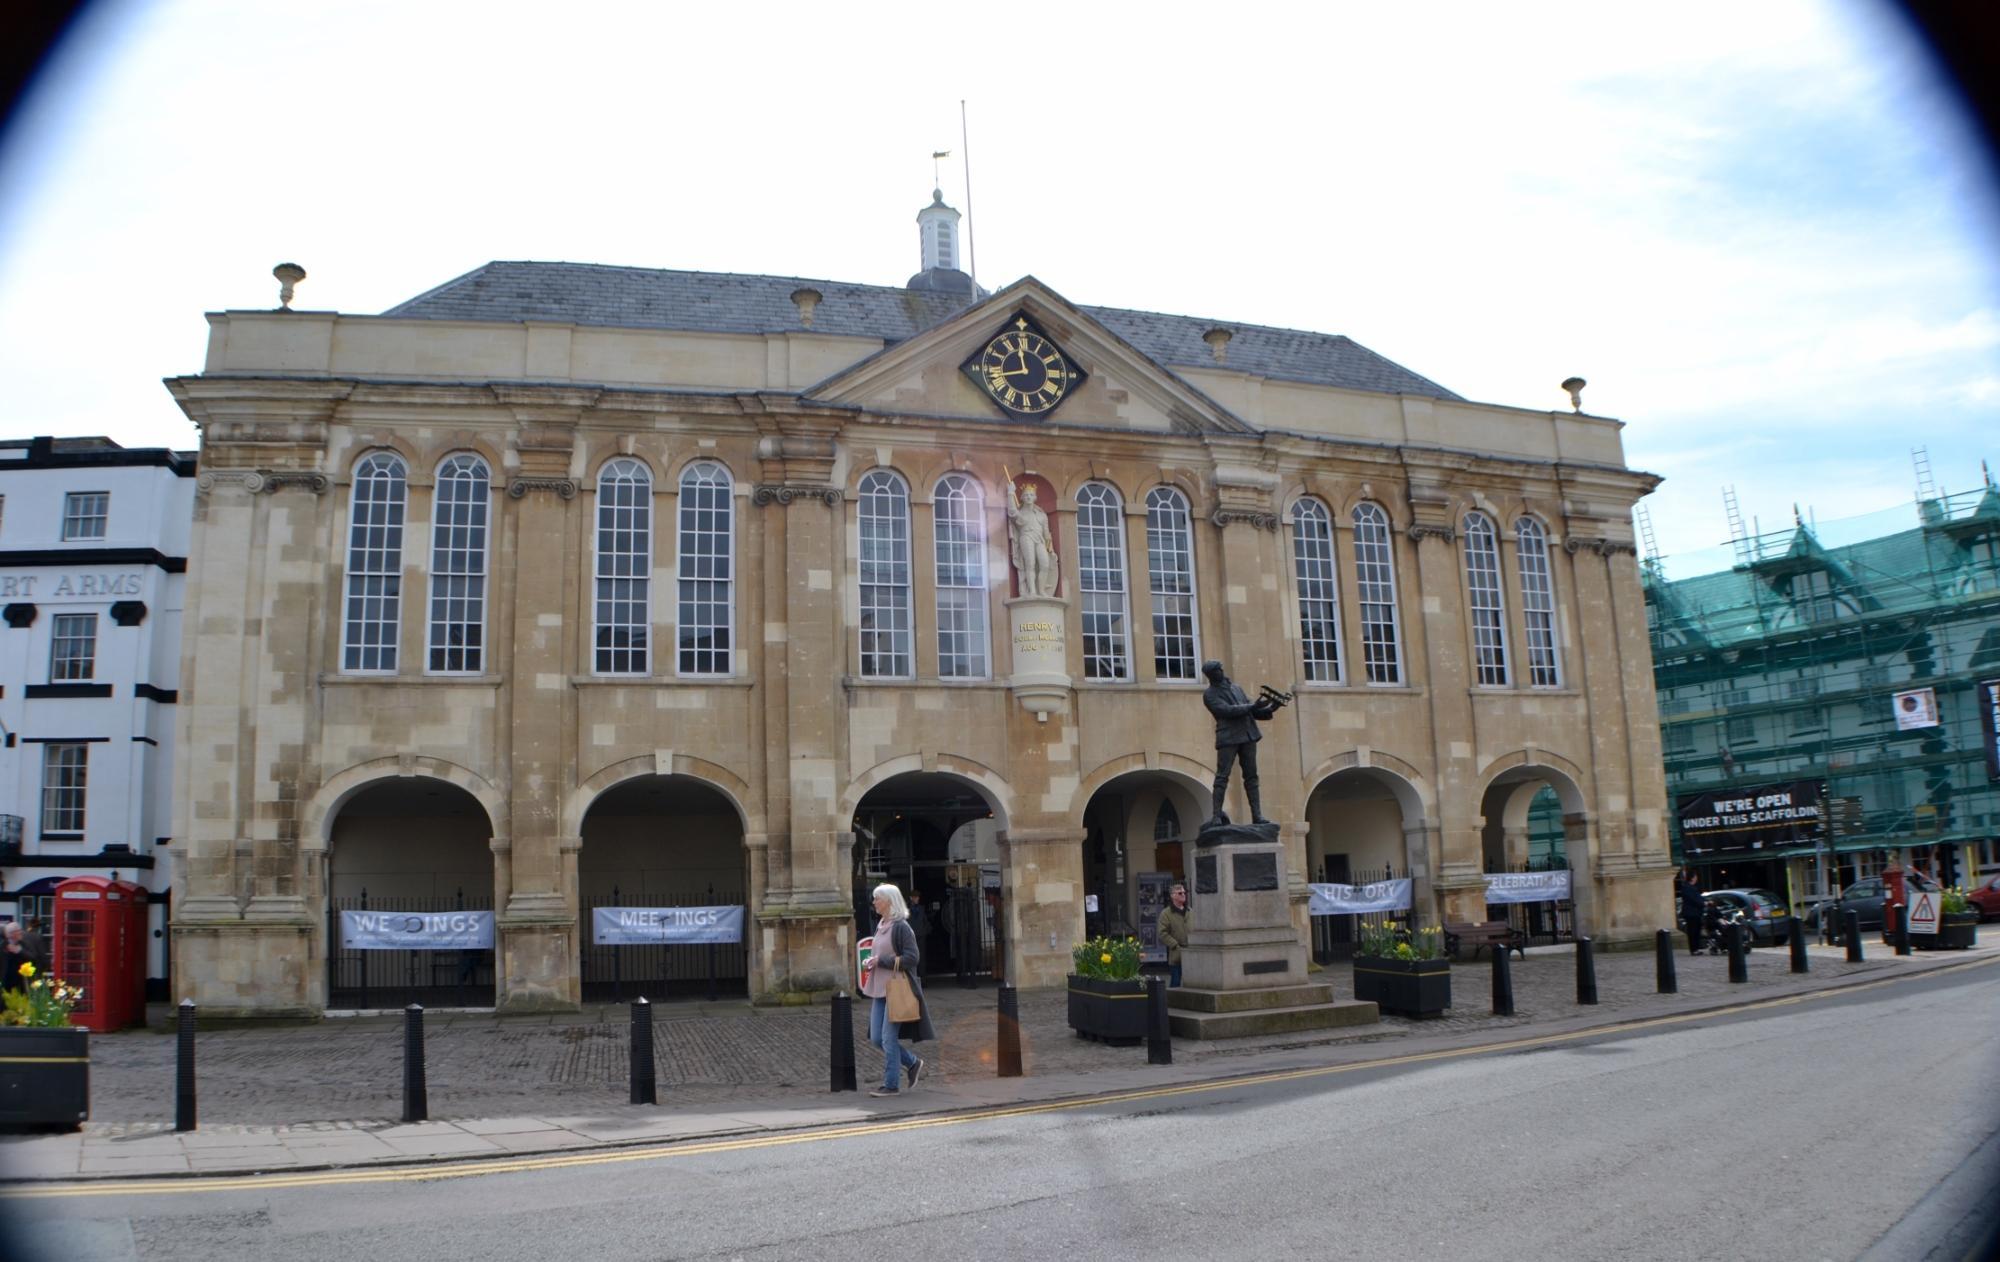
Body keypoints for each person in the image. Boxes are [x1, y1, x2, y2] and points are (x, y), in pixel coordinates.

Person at [861, 883, 935, 1097]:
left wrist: (880, 960)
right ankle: (912, 1063)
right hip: (879, 990)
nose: (874, 902)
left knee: (887, 1038)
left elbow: (913, 958)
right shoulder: (881, 924)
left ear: (889, 902)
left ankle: (891, 1085)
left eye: (877, 898)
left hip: (896, 989)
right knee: (876, 1038)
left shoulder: (901, 926)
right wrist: (871, 962)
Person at [1202, 660, 1281, 826]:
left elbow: (1252, 712)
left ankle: (1257, 816)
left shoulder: (1236, 688)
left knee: (1252, 777)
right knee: (1222, 776)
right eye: (1217, 670)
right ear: (1211, 675)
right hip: (1228, 737)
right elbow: (1226, 711)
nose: (1221, 671)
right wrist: (1252, 706)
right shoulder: (1210, 694)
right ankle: (1216, 815)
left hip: (1248, 735)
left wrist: (1271, 708)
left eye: (1220, 668)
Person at [1005, 479, 1058, 598]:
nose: (1029, 497)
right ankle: (1032, 592)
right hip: (1026, 537)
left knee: (1045, 564)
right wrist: (1010, 493)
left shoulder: (1041, 514)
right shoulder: (1021, 513)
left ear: (1035, 497)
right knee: (1030, 564)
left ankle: (1041, 590)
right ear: (1022, 498)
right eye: (1026, 495)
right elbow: (1012, 512)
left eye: (1031, 495)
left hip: (1040, 540)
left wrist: (1051, 549)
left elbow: (1046, 533)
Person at [1156, 882, 1191, 988]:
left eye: (1185, 892)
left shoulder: (1190, 911)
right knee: (1175, 982)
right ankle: (1170, 1003)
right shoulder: (1166, 913)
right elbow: (1162, 933)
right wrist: (1175, 945)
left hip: (1191, 952)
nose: (1183, 895)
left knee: (1192, 983)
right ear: (1173, 896)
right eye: (1180, 893)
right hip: (1176, 954)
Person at [1678, 868, 1705, 956]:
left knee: (1696, 931)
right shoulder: (1687, 888)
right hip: (1691, 913)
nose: (1696, 878)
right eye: (1695, 876)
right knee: (1693, 931)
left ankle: (1696, 948)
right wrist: (1702, 903)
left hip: (1695, 913)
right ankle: (1694, 949)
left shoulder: (1691, 888)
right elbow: (1695, 900)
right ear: (1692, 878)